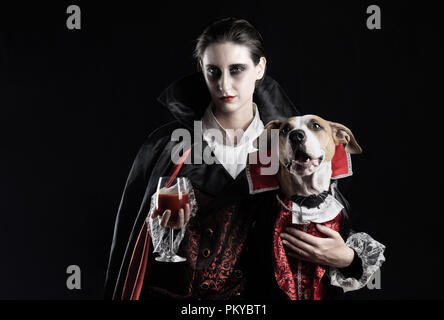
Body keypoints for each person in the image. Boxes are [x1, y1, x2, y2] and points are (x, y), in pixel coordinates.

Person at [104, 17, 385, 300]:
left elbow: (331, 224)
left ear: (260, 68)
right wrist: (162, 231)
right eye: (213, 71)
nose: (224, 84)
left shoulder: (296, 145)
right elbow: (134, 250)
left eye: (237, 69)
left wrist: (349, 258)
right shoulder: (167, 146)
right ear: (202, 70)